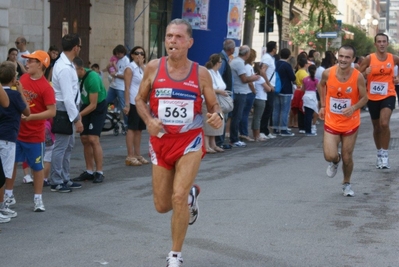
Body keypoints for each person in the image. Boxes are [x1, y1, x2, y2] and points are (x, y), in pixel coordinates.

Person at [135, 18, 223, 267]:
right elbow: (140, 100)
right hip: (161, 142)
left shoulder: (201, 73)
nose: (172, 41)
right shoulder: (153, 67)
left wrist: (217, 115)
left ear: (190, 42)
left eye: (178, 37)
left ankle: (175, 254)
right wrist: (149, 120)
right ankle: (192, 197)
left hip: (189, 142)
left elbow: (213, 104)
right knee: (162, 206)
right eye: (169, 36)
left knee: (177, 196)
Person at [5, 50, 56, 212]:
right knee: (11, 164)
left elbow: (52, 112)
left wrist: (31, 118)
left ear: (40, 65)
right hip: (17, 132)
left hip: (35, 135)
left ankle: (38, 199)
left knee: (37, 167)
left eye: (31, 61)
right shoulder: (23, 78)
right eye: (27, 61)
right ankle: (8, 194)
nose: (26, 64)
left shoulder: (46, 88)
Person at [317, 45, 368, 197]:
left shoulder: (357, 76)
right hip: (332, 120)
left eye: (347, 57)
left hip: (350, 122)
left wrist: (353, 108)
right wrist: (323, 106)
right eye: (341, 56)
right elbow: (321, 86)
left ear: (353, 59)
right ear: (337, 56)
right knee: (329, 155)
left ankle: (346, 183)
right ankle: (334, 161)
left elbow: (365, 98)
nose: (343, 60)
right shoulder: (328, 73)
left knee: (347, 156)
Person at [358, 33, 399, 169]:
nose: (381, 44)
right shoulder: (370, 59)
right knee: (376, 127)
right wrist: (365, 73)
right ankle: (379, 153)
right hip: (373, 96)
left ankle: (385, 155)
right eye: (379, 42)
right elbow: (357, 76)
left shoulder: (393, 58)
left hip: (389, 94)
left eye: (384, 41)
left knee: (384, 123)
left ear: (387, 43)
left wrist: (397, 77)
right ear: (375, 44)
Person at [50, 33, 84, 193]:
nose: (80, 49)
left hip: (68, 108)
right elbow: (67, 96)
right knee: (61, 146)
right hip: (64, 108)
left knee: (68, 145)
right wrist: (77, 118)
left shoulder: (67, 63)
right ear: (76, 47)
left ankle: (64, 177)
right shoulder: (63, 67)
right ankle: (56, 180)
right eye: (80, 46)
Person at [0, 61, 30, 222]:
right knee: (3, 175)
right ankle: (1, 206)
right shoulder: (14, 95)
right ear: (13, 79)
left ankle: (3, 205)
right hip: (8, 138)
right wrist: (21, 91)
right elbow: (27, 111)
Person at [72, 57, 107, 183]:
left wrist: (78, 115)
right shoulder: (76, 77)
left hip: (97, 106)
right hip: (86, 105)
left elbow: (94, 105)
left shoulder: (93, 78)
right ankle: (89, 171)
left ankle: (99, 172)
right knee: (84, 139)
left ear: (81, 69)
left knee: (93, 139)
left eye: (73, 70)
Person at [122, 46, 149, 166]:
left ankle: (138, 154)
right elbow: (126, 87)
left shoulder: (144, 68)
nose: (139, 55)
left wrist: (142, 65)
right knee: (132, 128)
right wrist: (127, 104)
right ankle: (130, 155)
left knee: (139, 129)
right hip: (133, 101)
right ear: (132, 55)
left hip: (142, 102)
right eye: (137, 53)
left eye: (142, 53)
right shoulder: (130, 68)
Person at [229, 45, 260, 147]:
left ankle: (234, 137)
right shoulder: (239, 63)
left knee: (236, 116)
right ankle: (234, 139)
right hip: (240, 92)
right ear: (247, 54)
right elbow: (244, 79)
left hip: (237, 91)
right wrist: (254, 78)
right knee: (237, 116)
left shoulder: (235, 61)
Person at [204, 54, 227, 153]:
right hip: (208, 100)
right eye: (221, 62)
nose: (221, 64)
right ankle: (206, 145)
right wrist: (220, 91)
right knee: (208, 122)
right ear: (218, 63)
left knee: (218, 120)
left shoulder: (217, 73)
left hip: (217, 100)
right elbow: (208, 87)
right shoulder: (208, 73)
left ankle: (213, 144)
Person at [216, 39, 235, 149]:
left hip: (223, 93)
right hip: (222, 94)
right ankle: (219, 142)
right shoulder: (222, 60)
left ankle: (220, 141)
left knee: (223, 117)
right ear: (231, 49)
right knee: (222, 117)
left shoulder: (223, 58)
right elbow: (218, 75)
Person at [273, 48, 296, 136]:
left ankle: (275, 128)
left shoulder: (275, 63)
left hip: (276, 89)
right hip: (286, 89)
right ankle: (283, 129)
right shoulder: (287, 65)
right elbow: (293, 78)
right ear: (289, 56)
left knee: (276, 110)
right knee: (285, 110)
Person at [105, 45, 130, 126]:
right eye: (116, 54)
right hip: (113, 86)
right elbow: (111, 72)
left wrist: (115, 74)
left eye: (119, 54)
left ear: (123, 53)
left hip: (121, 87)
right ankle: (112, 117)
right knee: (107, 102)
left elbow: (126, 76)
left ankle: (127, 123)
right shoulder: (115, 59)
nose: (117, 56)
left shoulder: (126, 61)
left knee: (123, 106)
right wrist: (109, 68)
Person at [260, 41, 277, 139]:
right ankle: (262, 130)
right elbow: (263, 70)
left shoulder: (269, 58)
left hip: (270, 85)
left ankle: (265, 130)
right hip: (269, 86)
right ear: (273, 49)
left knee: (269, 109)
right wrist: (268, 84)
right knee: (267, 108)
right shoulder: (267, 58)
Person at [239, 48, 257, 142]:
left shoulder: (244, 66)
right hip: (249, 92)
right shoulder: (248, 67)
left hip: (246, 92)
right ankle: (244, 133)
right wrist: (254, 91)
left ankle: (242, 132)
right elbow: (250, 81)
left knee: (244, 113)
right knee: (245, 114)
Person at [252, 62, 271, 141]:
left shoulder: (253, 77)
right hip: (261, 98)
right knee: (258, 118)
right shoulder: (260, 78)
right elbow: (269, 89)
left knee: (255, 117)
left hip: (255, 97)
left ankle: (255, 134)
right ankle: (257, 135)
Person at [302, 64, 319, 136]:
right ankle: (310, 130)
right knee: (313, 113)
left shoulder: (305, 79)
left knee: (307, 114)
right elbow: (318, 89)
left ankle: (307, 129)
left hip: (306, 95)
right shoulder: (316, 80)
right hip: (312, 96)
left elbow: (303, 89)